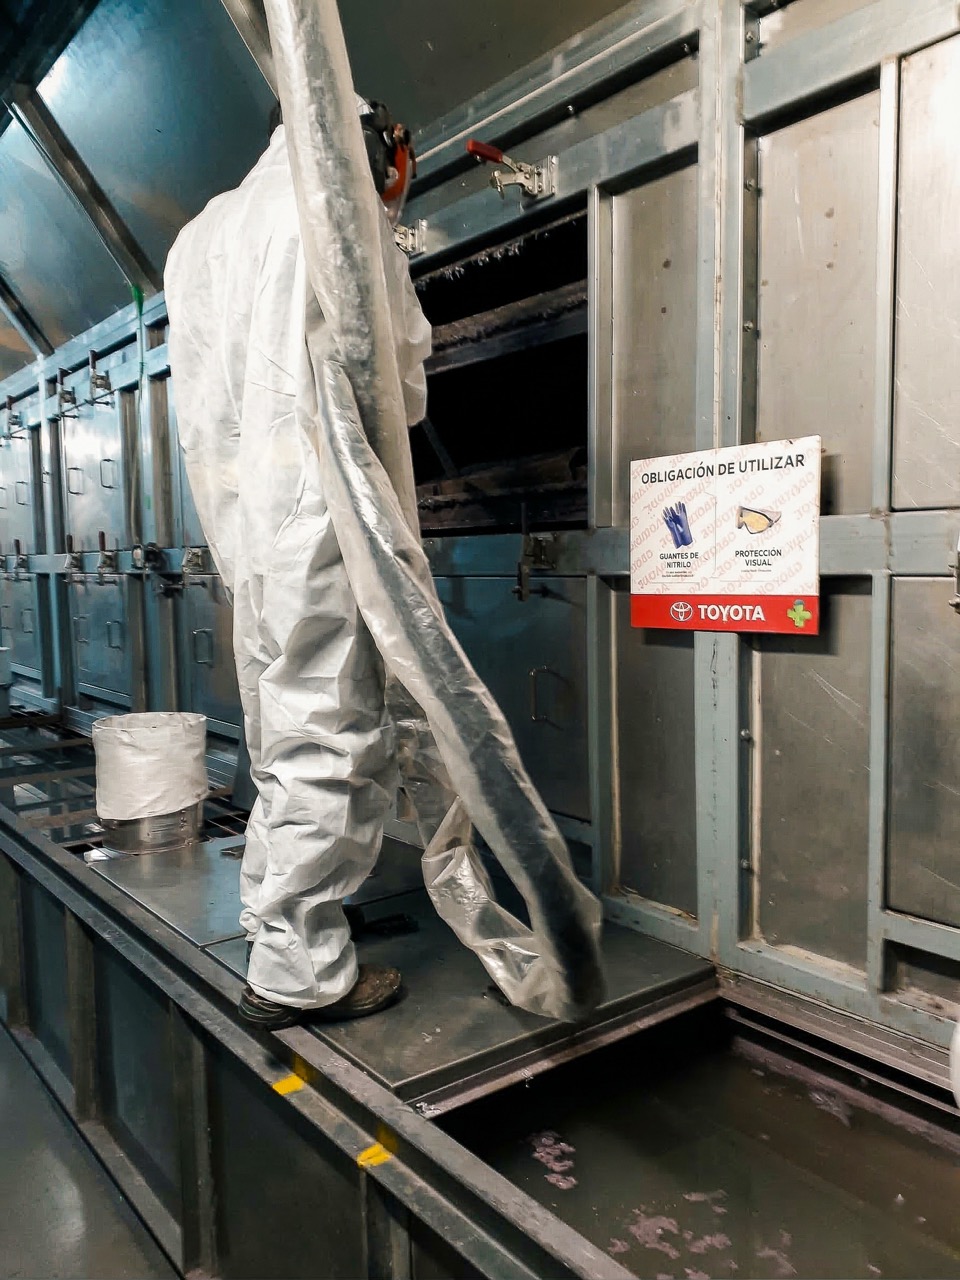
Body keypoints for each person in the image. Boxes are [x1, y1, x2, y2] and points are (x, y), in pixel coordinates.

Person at [164, 99, 425, 1030]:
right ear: (380, 145)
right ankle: (299, 973)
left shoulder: (200, 235)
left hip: (245, 525)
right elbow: (401, 378)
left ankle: (288, 926)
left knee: (284, 728)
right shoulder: (338, 212)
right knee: (331, 731)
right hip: (320, 512)